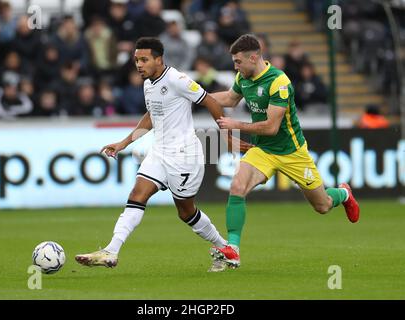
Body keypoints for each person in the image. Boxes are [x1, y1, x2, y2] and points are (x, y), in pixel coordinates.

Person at [75, 37, 251, 270]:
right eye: (137, 60)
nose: (139, 64)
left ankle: (225, 248)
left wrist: (227, 137)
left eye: (144, 59)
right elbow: (152, 115)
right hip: (160, 152)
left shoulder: (177, 79)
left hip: (184, 156)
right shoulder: (148, 82)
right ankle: (111, 251)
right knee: (137, 194)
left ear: (159, 59)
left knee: (186, 212)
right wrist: (124, 142)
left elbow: (209, 101)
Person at [209, 34, 360, 271]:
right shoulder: (243, 77)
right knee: (237, 187)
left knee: (322, 206)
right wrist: (198, 97)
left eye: (238, 61)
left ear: (254, 57)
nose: (235, 67)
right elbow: (229, 98)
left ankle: (343, 194)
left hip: (292, 152)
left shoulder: (279, 82)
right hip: (264, 151)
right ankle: (233, 249)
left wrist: (236, 125)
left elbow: (271, 127)